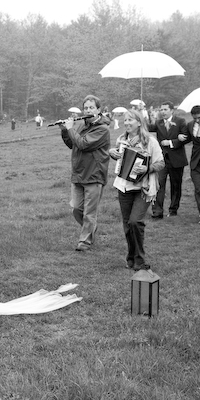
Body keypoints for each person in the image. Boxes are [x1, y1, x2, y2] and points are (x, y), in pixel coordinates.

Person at [108, 110, 164, 270]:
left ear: (139, 122)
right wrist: (113, 153)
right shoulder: (121, 140)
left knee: (135, 221)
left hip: (143, 187)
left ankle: (140, 259)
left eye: (130, 120)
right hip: (123, 186)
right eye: (125, 120)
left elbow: (160, 163)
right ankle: (131, 257)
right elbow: (119, 158)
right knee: (127, 224)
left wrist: (146, 168)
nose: (126, 123)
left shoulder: (150, 142)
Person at [60, 95, 111, 251]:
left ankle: (84, 242)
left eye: (91, 108)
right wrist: (64, 131)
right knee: (76, 208)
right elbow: (72, 144)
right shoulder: (82, 126)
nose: (88, 110)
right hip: (79, 173)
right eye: (86, 108)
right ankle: (90, 228)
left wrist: (70, 129)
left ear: (98, 110)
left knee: (89, 212)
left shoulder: (102, 129)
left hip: (94, 174)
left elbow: (83, 144)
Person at [147, 101, 187, 218]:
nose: (163, 112)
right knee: (159, 184)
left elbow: (185, 137)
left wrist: (171, 142)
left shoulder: (180, 121)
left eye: (165, 109)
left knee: (176, 185)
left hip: (177, 158)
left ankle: (173, 209)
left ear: (171, 110)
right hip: (162, 160)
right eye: (161, 110)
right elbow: (147, 127)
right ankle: (157, 211)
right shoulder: (158, 123)